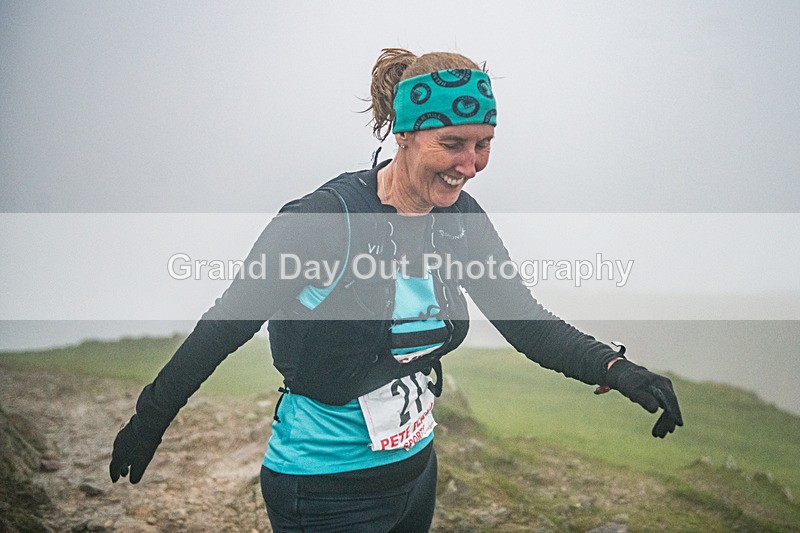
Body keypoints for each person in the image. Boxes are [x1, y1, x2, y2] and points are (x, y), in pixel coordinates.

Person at [109, 48, 683, 532]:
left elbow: (524, 319)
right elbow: (227, 324)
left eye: (484, 143)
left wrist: (615, 368)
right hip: (325, 490)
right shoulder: (320, 222)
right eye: (454, 143)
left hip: (416, 474)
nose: (472, 164)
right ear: (405, 133)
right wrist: (150, 419)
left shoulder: (460, 219)